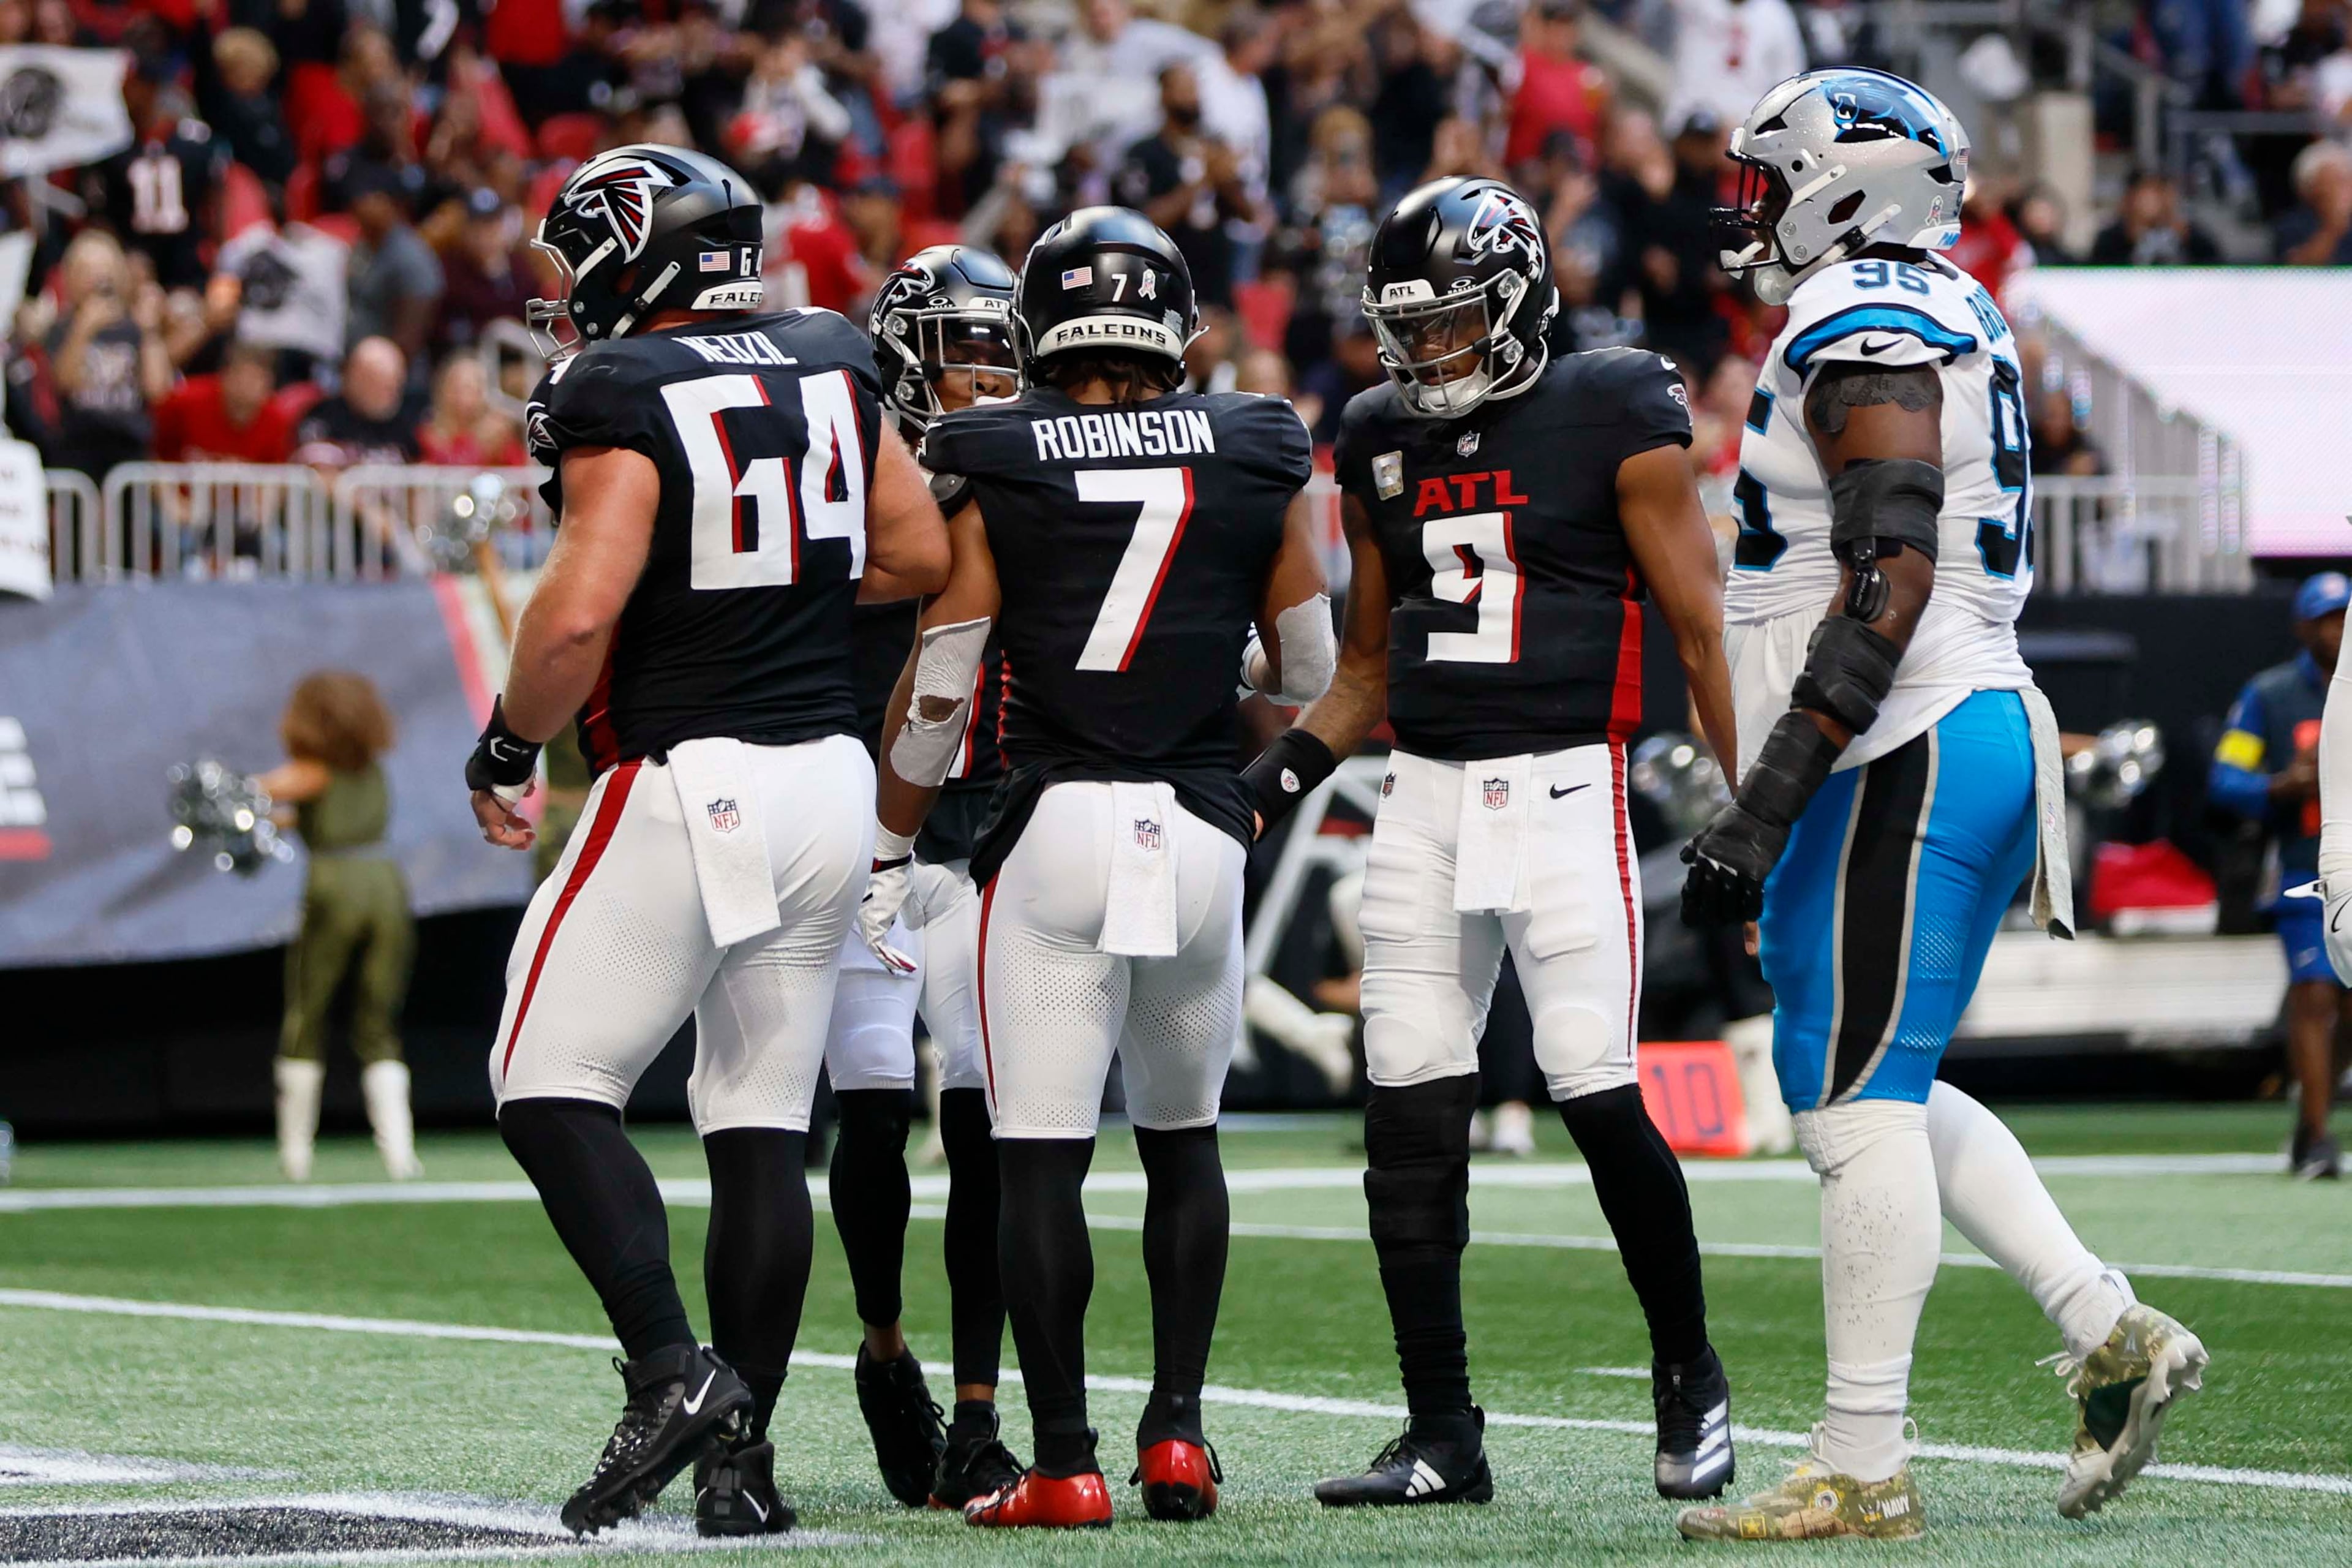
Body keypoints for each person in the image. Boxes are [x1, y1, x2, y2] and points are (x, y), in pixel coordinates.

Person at [1677, 68, 2206, 1541]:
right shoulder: (1933, 300)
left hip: (1897, 734)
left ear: (1843, 186)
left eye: (1775, 177)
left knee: (1852, 1102)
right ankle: (2104, 1326)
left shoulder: (1863, 316)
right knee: (1873, 1083)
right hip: (1932, 732)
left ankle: (1861, 1456)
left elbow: (1886, 577)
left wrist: (1765, 797)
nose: (1756, 208)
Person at [462, 143, 951, 1539]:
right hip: (828, 784)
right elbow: (912, 553)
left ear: (639, 250)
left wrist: (507, 744)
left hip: (691, 773)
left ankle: (671, 1370)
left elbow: (572, 619)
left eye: (580, 262)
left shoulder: (618, 387)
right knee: (755, 1124)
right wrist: (776, 578)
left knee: (543, 1074)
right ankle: (743, 1467)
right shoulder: (832, 355)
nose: (570, 299)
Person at [1245, 175, 1741, 1510]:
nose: (1433, 354)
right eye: (1414, 328)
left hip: (1568, 782)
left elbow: (1702, 625)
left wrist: (1754, 807)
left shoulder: (1615, 405)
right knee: (1406, 1109)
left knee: (1592, 1082)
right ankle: (1439, 1428)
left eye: (1460, 323)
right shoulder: (1372, 434)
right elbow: (1358, 673)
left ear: (1523, 299)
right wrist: (1268, 780)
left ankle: (1691, 1374)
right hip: (1423, 793)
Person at [859, 206, 1328, 1528]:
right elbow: (1303, 669)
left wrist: (891, 845)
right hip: (1196, 832)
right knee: (1185, 1145)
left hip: (1054, 828)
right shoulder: (1253, 440)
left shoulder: (992, 449)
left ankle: (1062, 1460)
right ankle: (1176, 1432)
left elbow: (942, 688)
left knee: (1040, 1157)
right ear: (1171, 325)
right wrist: (1194, 651)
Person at [819, 244, 1026, 1513]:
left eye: (1005, 346)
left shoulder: (1021, 470)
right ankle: (885, 1341)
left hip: (991, 800)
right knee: (877, 1100)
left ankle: (982, 1407)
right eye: (963, 348)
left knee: (990, 1117)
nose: (990, 373)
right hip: (854, 795)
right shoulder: (844, 470)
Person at [260, 671, 420, 1184]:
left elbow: (266, 790)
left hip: (335, 886)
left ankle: (296, 1154)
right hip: (387, 886)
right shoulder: (374, 770)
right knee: (378, 1019)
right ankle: (400, 1154)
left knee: (308, 1010)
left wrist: (236, 795)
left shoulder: (311, 770)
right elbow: (311, 813)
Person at [2214, 573, 2345, 1180]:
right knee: (2317, 991)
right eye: (2328, 618)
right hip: (2303, 868)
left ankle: (2309, 1115)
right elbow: (2227, 778)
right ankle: (2320, 1136)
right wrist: (2282, 784)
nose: (2340, 629)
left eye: (2347, 616)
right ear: (2304, 626)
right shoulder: (2270, 694)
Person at [2087, 167, 2223, 265]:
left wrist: (2186, 240)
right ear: (2132, 197)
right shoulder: (2111, 239)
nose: (2160, 201)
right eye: (2152, 193)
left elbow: (2218, 271)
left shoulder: (2192, 235)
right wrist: (2131, 241)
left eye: (2163, 192)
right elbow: (2097, 279)